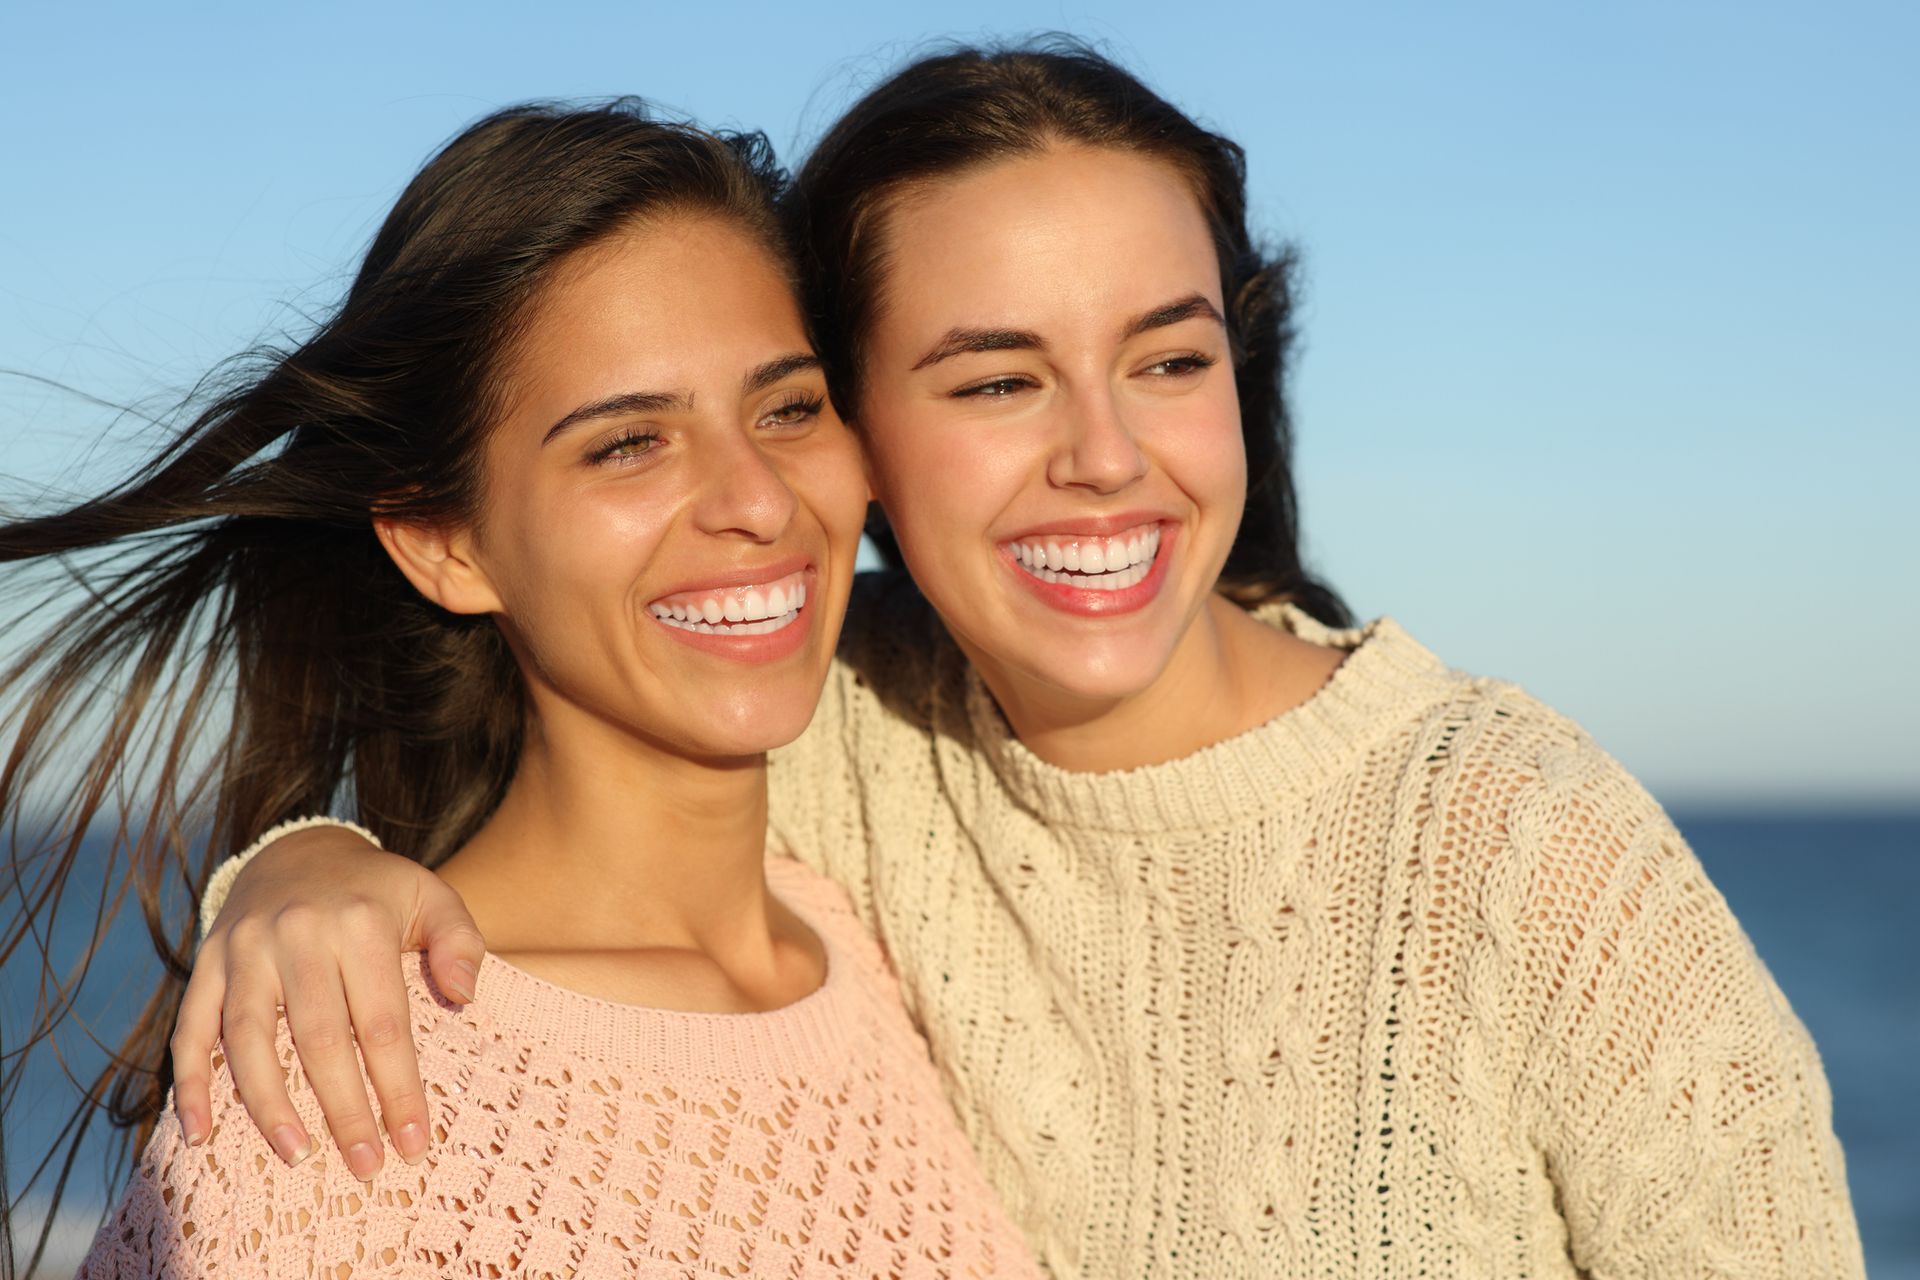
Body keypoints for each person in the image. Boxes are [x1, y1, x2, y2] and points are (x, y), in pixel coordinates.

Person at [173, 43, 1866, 1279]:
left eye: (1168, 360)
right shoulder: (837, 734)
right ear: (872, 439)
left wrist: (308, 859)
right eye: (994, 381)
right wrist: (308, 864)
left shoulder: (1526, 850)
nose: (1106, 459)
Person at [0, 101, 1041, 1279]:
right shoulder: (343, 1087)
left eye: (789, 408)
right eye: (627, 443)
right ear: (447, 542)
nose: (758, 500)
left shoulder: (887, 948)